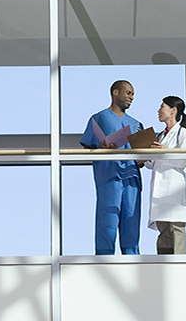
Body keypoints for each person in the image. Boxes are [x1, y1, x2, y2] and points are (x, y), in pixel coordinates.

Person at [80, 80, 144, 255]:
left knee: (132, 223)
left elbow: (142, 159)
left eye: (132, 94)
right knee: (107, 222)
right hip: (109, 176)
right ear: (115, 93)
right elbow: (88, 147)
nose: (131, 97)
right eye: (128, 93)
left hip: (132, 178)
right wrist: (101, 148)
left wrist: (144, 156)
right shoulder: (98, 118)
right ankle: (103, 262)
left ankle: (133, 263)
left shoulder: (136, 124)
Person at [145, 96, 186, 254]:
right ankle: (163, 265)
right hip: (159, 191)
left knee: (176, 229)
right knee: (163, 231)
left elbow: (184, 161)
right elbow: (153, 164)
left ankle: (180, 267)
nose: (158, 111)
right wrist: (146, 156)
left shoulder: (182, 134)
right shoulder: (160, 136)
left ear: (173, 110)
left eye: (162, 107)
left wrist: (164, 151)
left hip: (173, 190)